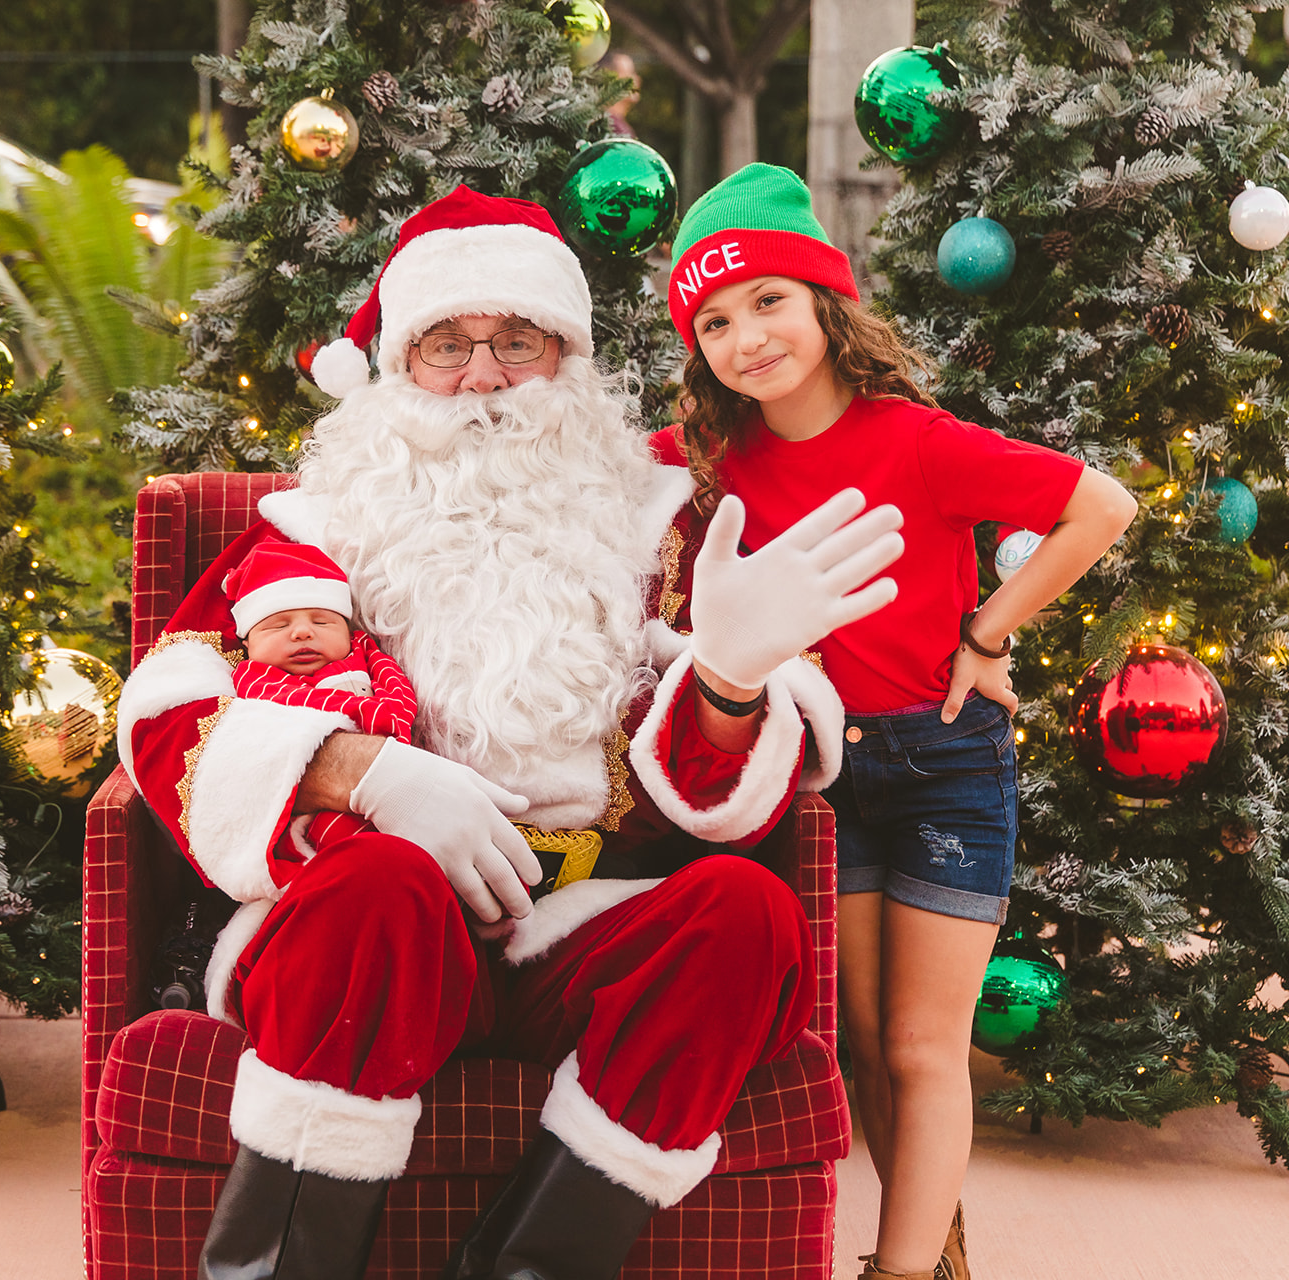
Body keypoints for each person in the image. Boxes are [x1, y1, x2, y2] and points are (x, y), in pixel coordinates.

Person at [119, 184, 906, 1280]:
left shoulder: (662, 524)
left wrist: (727, 678)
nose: (483, 376)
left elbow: (736, 788)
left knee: (747, 913)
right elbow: (168, 703)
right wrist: (364, 772)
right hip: (363, 920)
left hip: (573, 919)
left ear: (567, 358)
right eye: (447, 344)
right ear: (400, 368)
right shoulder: (309, 526)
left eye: (516, 341)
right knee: (380, 889)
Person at [656, 163, 1138, 1280]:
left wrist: (987, 631)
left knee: (925, 1041)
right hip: (821, 769)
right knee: (863, 1040)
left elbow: (1097, 504)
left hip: (942, 761)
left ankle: (901, 1267)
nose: (747, 336)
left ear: (825, 301)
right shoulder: (718, 460)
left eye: (768, 301)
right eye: (715, 320)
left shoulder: (915, 438)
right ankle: (933, 1227)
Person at [225, 540, 418, 865]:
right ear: (247, 643)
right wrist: (371, 718)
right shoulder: (254, 676)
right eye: (278, 624)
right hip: (317, 804)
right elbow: (296, 707)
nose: (302, 632)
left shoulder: (364, 652)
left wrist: (394, 720)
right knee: (354, 850)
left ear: (348, 630)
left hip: (399, 774)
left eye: (322, 622)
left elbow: (398, 690)